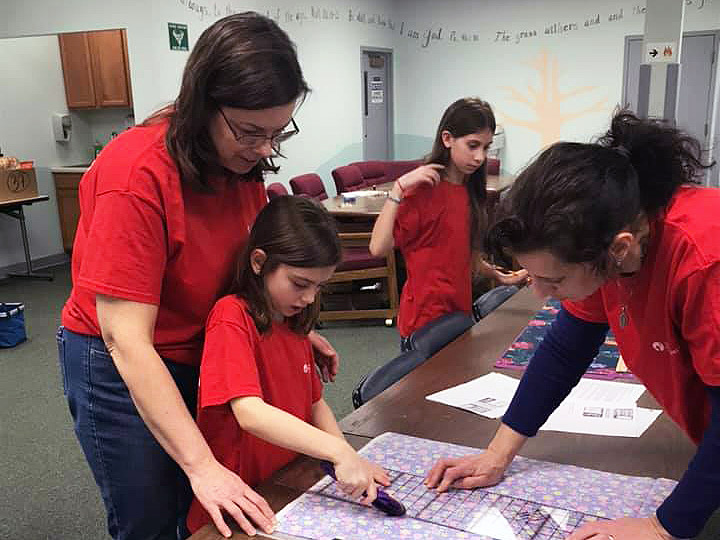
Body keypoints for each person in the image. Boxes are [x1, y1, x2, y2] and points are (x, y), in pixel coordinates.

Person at [57, 13, 340, 540]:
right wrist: (202, 465)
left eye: (278, 133)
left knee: (214, 512)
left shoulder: (236, 162)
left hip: (203, 344)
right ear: (202, 104)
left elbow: (243, 268)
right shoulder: (135, 175)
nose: (264, 151)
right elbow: (126, 340)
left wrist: (284, 327)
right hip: (121, 360)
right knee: (153, 515)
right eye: (251, 132)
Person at [425, 110, 720, 540]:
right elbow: (567, 348)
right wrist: (496, 455)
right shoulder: (610, 232)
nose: (542, 294)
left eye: (554, 280)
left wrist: (664, 527)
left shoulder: (703, 260)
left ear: (619, 248)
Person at [187, 195, 390, 532]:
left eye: (319, 286)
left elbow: (315, 403)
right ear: (258, 262)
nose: (309, 297)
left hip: (283, 489)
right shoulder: (231, 317)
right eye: (300, 284)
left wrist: (346, 456)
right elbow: (250, 413)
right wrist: (337, 451)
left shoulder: (295, 320)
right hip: (237, 507)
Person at [369, 98, 527, 350]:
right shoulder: (422, 190)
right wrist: (398, 189)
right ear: (447, 139)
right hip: (424, 320)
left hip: (458, 313)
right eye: (472, 145)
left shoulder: (470, 191)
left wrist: (499, 275)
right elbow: (378, 248)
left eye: (486, 148)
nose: (479, 157)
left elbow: (462, 254)